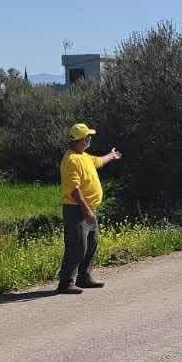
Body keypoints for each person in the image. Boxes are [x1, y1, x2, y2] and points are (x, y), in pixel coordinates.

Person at [58, 122, 121, 295]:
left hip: (89, 209)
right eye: (88, 137)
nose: (90, 139)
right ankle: (65, 282)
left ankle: (84, 277)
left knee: (92, 243)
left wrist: (112, 155)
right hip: (76, 210)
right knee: (77, 246)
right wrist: (86, 211)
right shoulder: (71, 160)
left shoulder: (84, 156)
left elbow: (99, 161)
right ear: (82, 140)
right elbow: (74, 190)